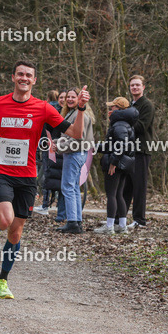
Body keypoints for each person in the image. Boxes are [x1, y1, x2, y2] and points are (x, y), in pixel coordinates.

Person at [0, 61, 90, 299]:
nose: (24, 78)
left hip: (27, 175)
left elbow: (76, 134)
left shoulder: (43, 108)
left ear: (35, 80)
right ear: (13, 77)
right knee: (5, 219)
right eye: (20, 74)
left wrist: (82, 109)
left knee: (15, 233)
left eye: (29, 75)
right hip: (0, 171)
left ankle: (2, 281)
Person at [55, 87, 95, 234]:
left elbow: (78, 140)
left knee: (67, 186)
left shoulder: (81, 115)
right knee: (73, 188)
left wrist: (58, 146)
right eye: (68, 97)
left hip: (75, 153)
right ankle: (76, 221)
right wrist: (56, 141)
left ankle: (72, 222)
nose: (70, 99)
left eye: (73, 97)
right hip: (73, 153)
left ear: (80, 98)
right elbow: (68, 136)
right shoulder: (71, 113)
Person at [95, 97, 138, 233]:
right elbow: (114, 144)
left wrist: (113, 163)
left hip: (116, 163)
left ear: (119, 109)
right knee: (119, 194)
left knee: (112, 195)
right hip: (124, 163)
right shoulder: (125, 123)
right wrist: (98, 147)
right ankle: (122, 225)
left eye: (113, 107)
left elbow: (120, 144)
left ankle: (109, 226)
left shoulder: (119, 124)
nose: (110, 109)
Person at [123, 74, 155, 229]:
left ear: (143, 87)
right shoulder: (130, 105)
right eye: (132, 85)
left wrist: (123, 126)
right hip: (128, 151)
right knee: (126, 186)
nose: (134, 87)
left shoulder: (146, 105)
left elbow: (141, 126)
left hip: (141, 150)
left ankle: (139, 220)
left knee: (139, 187)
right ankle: (120, 218)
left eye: (137, 85)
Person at [35, 89, 62, 216]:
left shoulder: (46, 109)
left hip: (47, 143)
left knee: (47, 174)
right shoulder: (63, 110)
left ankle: (45, 204)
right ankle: (56, 202)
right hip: (59, 144)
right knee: (56, 175)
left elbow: (44, 128)